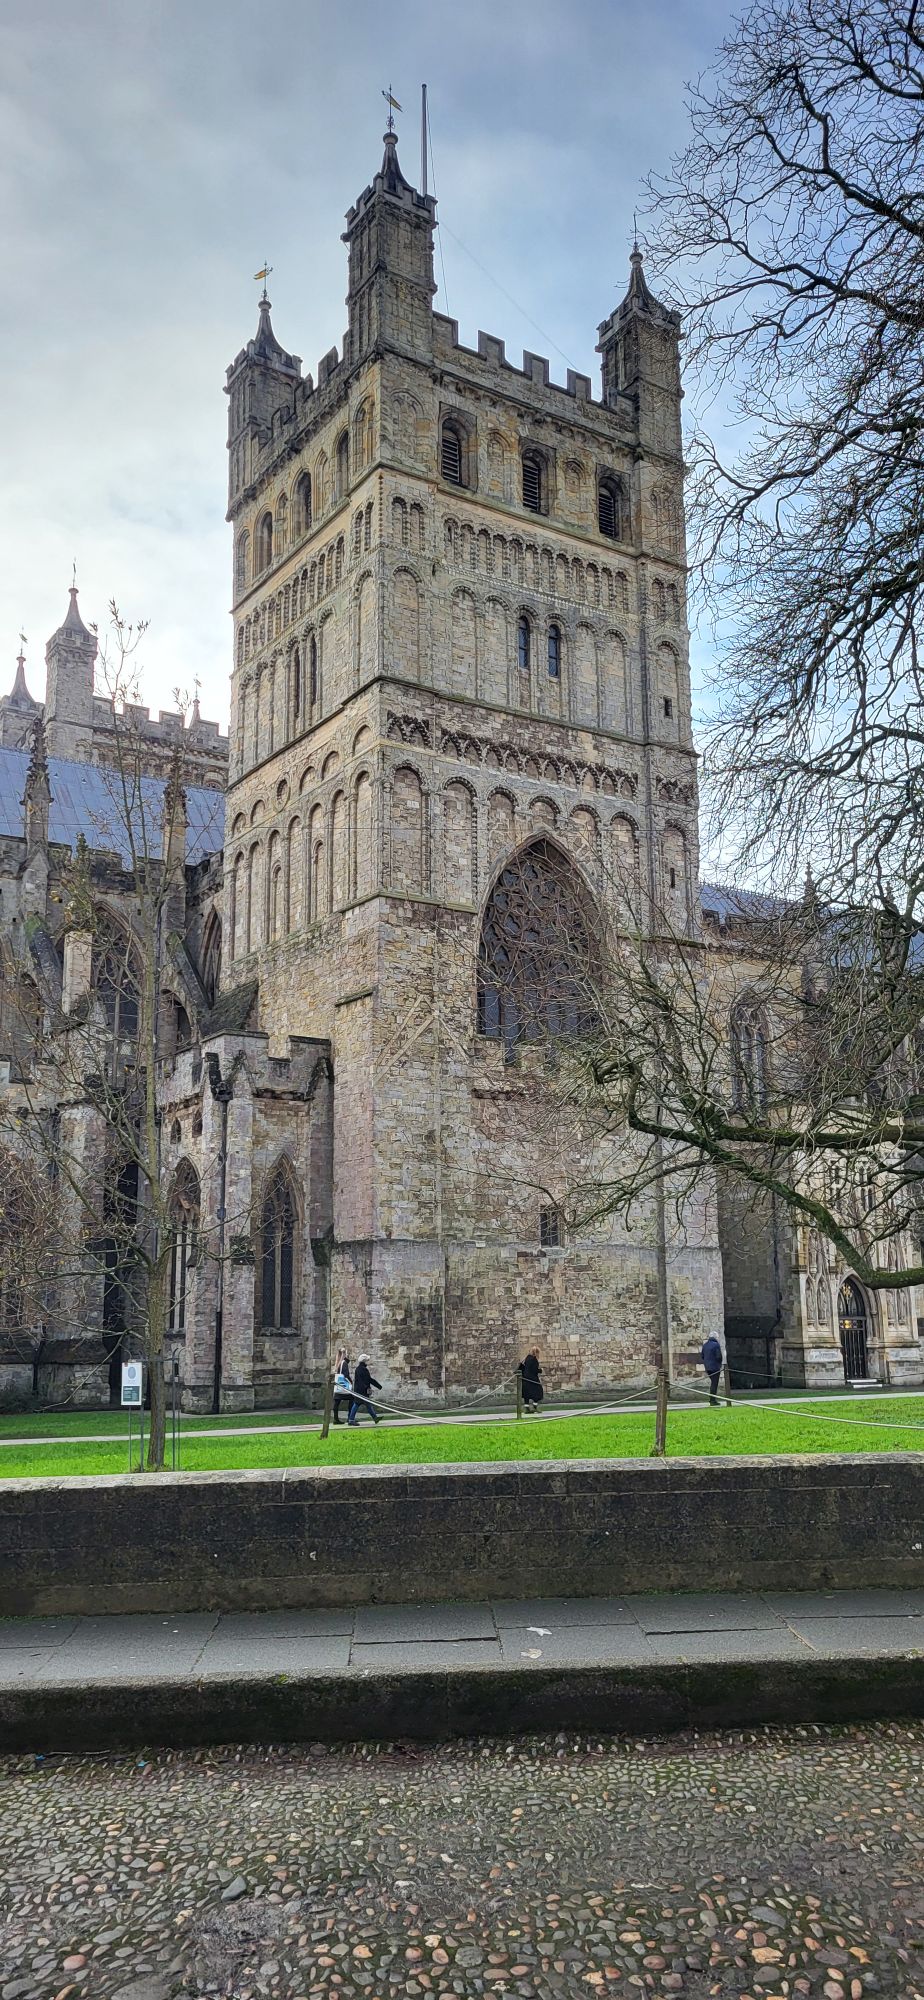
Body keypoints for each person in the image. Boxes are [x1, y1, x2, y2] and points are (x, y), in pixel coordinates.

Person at [349, 1354, 382, 1426]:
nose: (368, 1362)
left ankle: (375, 1418)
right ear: (364, 1361)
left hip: (359, 1390)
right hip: (362, 1391)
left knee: (367, 1405)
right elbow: (368, 1380)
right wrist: (377, 1386)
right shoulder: (363, 1369)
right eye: (367, 1360)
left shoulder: (358, 1369)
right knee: (357, 1404)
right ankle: (351, 1420)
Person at [701, 1331, 724, 1407]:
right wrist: (719, 1364)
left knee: (713, 1383)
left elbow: (702, 1356)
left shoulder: (705, 1345)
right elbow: (719, 1357)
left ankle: (712, 1399)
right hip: (715, 1367)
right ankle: (712, 1400)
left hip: (708, 1367)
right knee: (714, 1384)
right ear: (715, 1337)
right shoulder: (716, 1345)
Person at [519, 1347, 544, 1413]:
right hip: (532, 1380)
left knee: (526, 1394)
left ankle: (526, 1408)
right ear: (536, 1353)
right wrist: (540, 1370)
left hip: (525, 1379)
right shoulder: (534, 1359)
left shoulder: (527, 1358)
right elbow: (534, 1370)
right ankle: (534, 1407)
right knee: (538, 1393)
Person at [332, 1349, 352, 1426]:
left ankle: (335, 1418)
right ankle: (350, 1417)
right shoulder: (344, 1363)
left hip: (338, 1386)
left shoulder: (338, 1363)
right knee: (352, 1399)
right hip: (343, 1386)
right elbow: (346, 1374)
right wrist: (350, 1381)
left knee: (337, 1402)